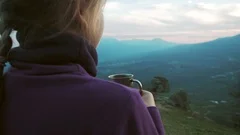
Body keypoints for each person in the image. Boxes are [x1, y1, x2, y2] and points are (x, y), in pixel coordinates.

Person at [0, 0, 165, 135]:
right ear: (82, 8)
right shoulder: (120, 106)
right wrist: (149, 111)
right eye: (100, 12)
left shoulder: (7, 85)